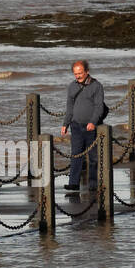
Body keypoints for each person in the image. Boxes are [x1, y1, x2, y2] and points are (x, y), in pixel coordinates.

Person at [59, 60, 106, 192]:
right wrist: (65, 124)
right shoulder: (72, 86)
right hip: (76, 126)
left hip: (91, 127)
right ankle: (73, 183)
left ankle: (93, 184)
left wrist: (93, 122)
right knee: (75, 155)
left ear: (87, 72)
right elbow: (69, 107)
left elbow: (99, 107)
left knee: (93, 157)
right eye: (75, 74)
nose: (78, 76)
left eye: (80, 73)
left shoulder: (97, 86)